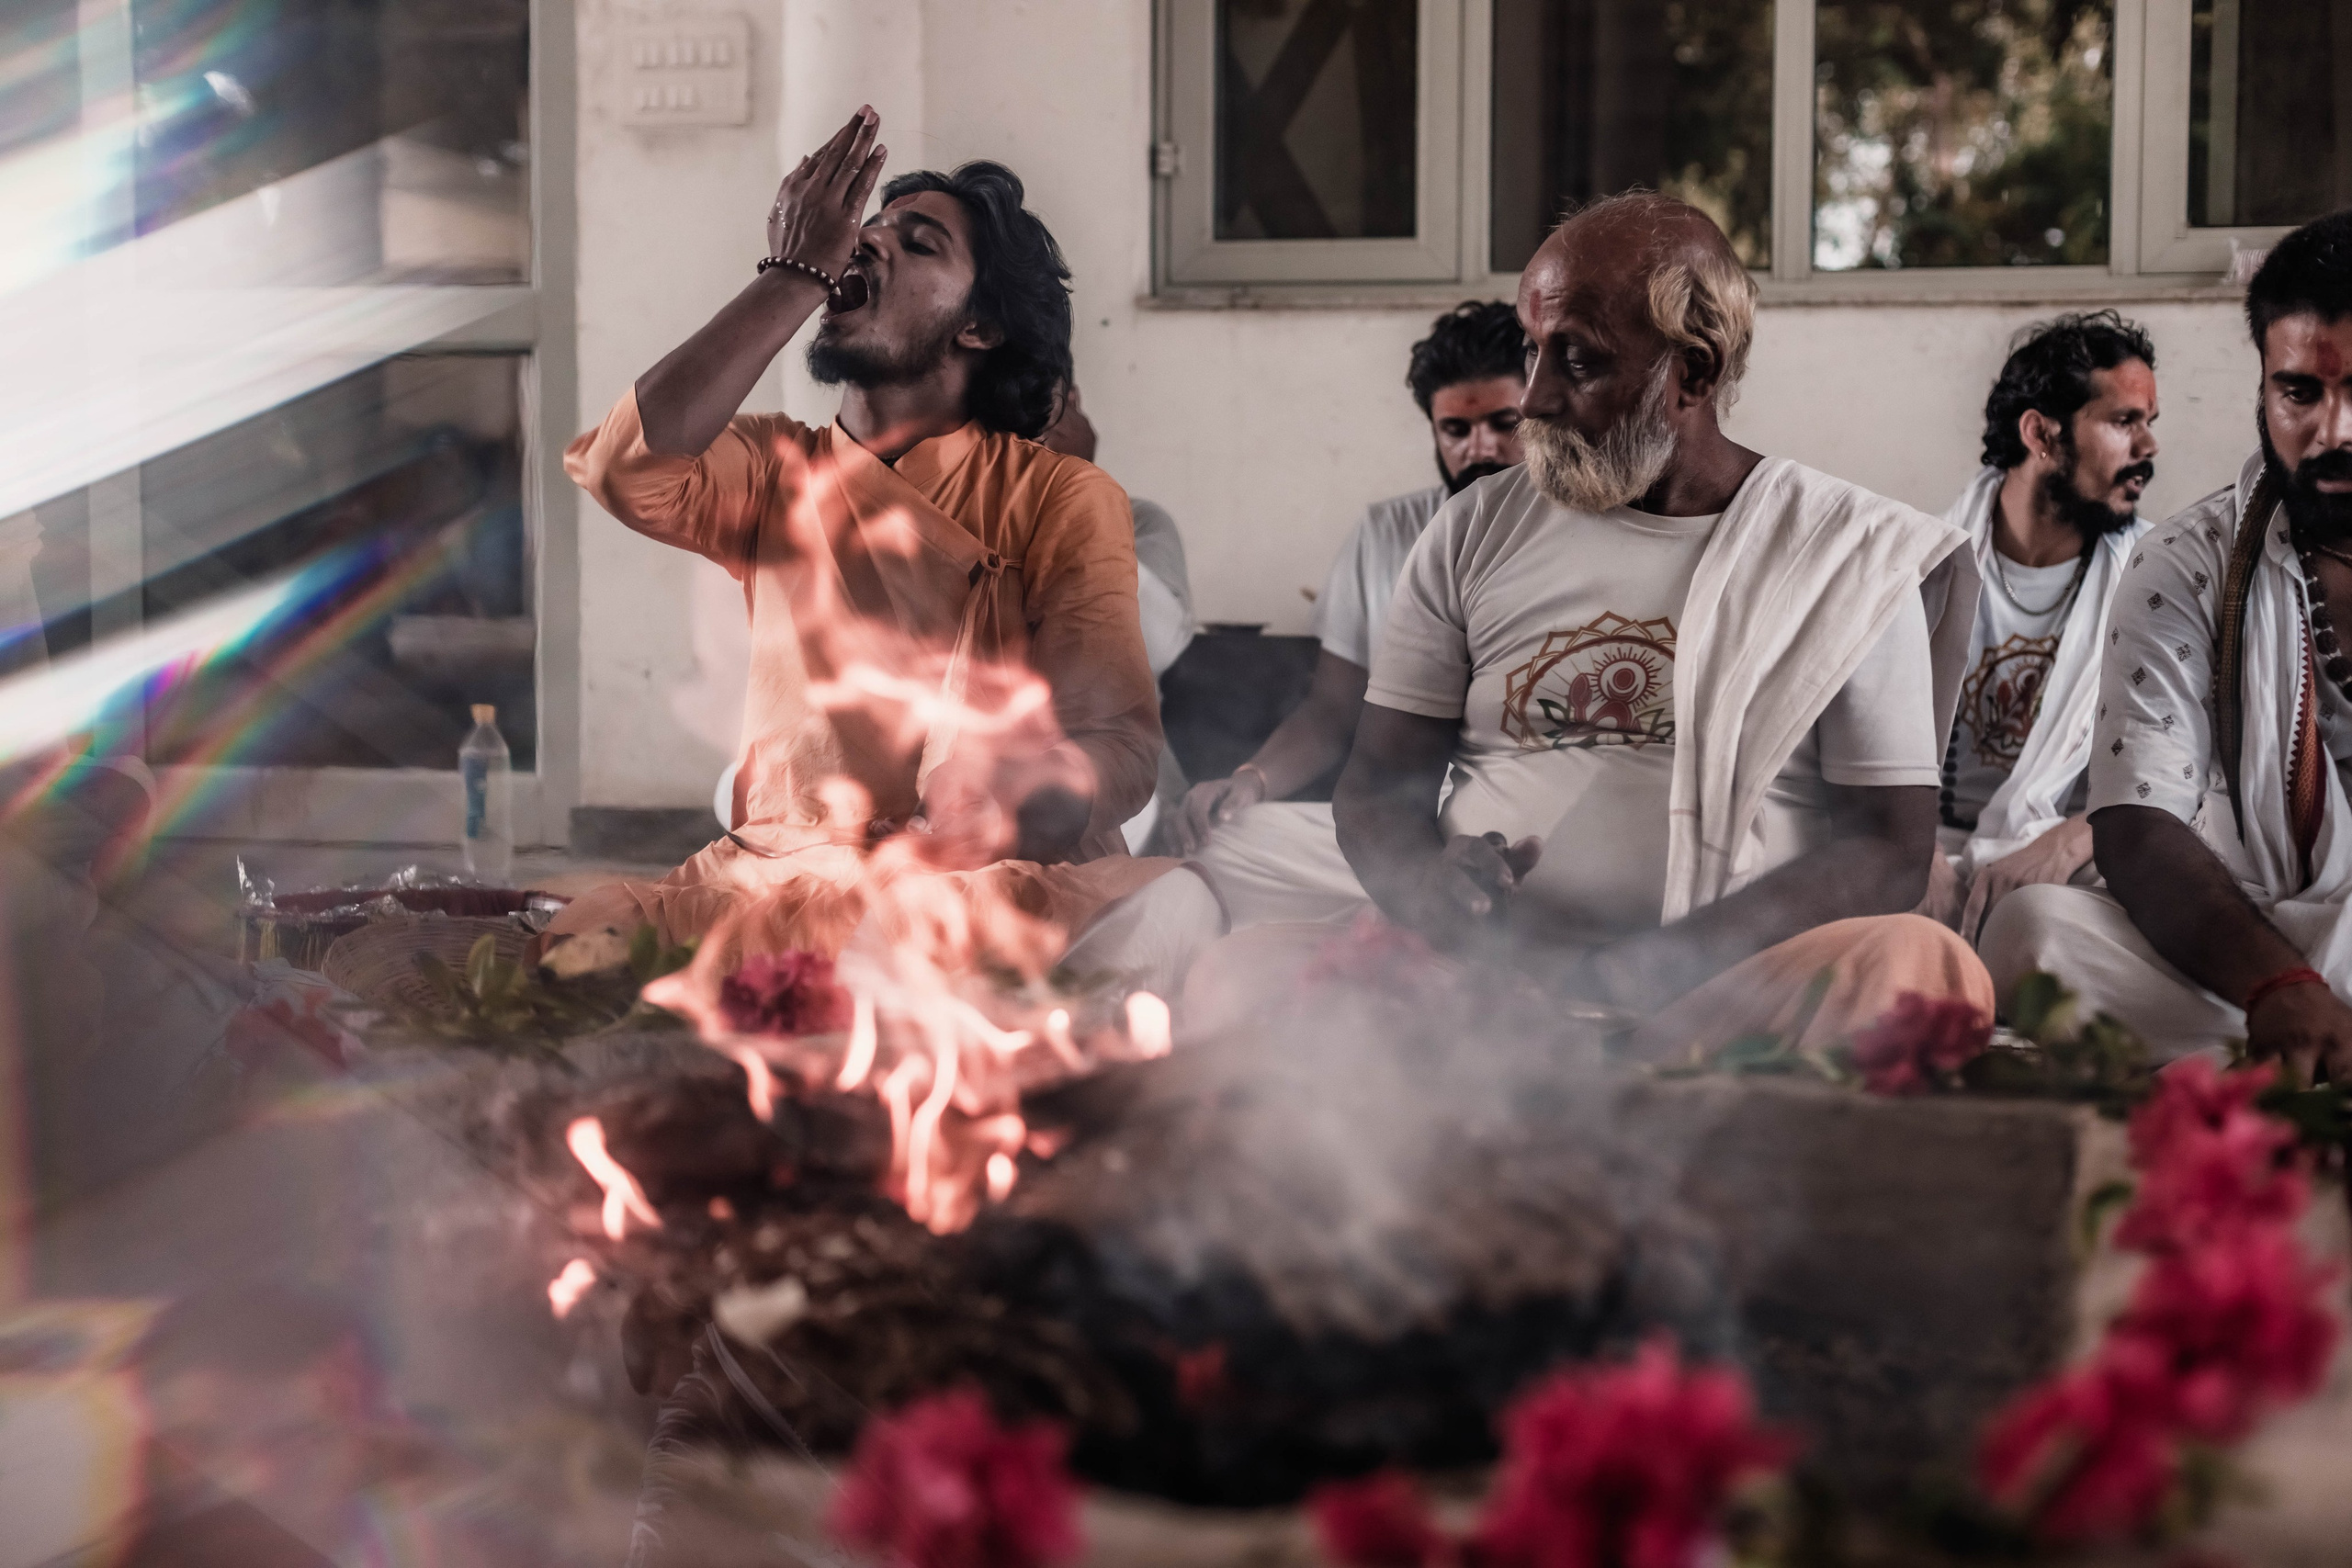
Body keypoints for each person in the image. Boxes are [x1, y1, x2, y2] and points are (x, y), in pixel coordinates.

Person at [1197, 194, 1994, 1055]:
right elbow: (1375, 789)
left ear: (1692, 372)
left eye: (1574, 360)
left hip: (1724, 982)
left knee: (1920, 963)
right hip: (1482, 974)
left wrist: (1643, 970)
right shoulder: (1471, 532)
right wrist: (1432, 892)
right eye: (1533, 350)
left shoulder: (1846, 553)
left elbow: (1887, 848)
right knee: (1236, 976)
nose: (1534, 400)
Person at [546, 108, 1220, 997]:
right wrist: (791, 277)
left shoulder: (1058, 496)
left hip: (970, 889)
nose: (866, 245)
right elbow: (624, 468)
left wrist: (1023, 789)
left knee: (1175, 911)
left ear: (977, 328)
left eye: (920, 242)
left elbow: (1120, 748)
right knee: (571, 940)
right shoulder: (772, 466)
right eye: (863, 232)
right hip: (784, 880)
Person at [1982, 210, 2352, 1079]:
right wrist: (2278, 981)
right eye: (2302, 393)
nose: (2335, 432)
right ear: (2263, 387)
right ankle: (2304, 1036)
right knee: (2033, 931)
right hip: (2262, 942)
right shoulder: (2189, 562)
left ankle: (2266, 1054)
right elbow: (2138, 824)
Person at [1173, 300, 1529, 927]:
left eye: (1505, 422)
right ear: (1433, 431)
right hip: (1398, 837)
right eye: (1456, 429)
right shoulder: (1387, 534)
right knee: (1222, 841)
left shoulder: (1585, 535)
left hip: (1519, 837)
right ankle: (1400, 911)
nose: (1481, 447)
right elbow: (1333, 711)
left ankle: (1421, 916)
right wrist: (1250, 779)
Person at [1925, 312, 2159, 942]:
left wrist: (2068, 839)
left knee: (2056, 922)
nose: (2148, 448)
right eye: (2122, 422)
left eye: (2149, 423)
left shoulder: (2157, 581)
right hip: (1919, 847)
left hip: (2063, 853)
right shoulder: (1916, 565)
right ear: (2040, 434)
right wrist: (1906, 845)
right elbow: (1838, 747)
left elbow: (2185, 777)